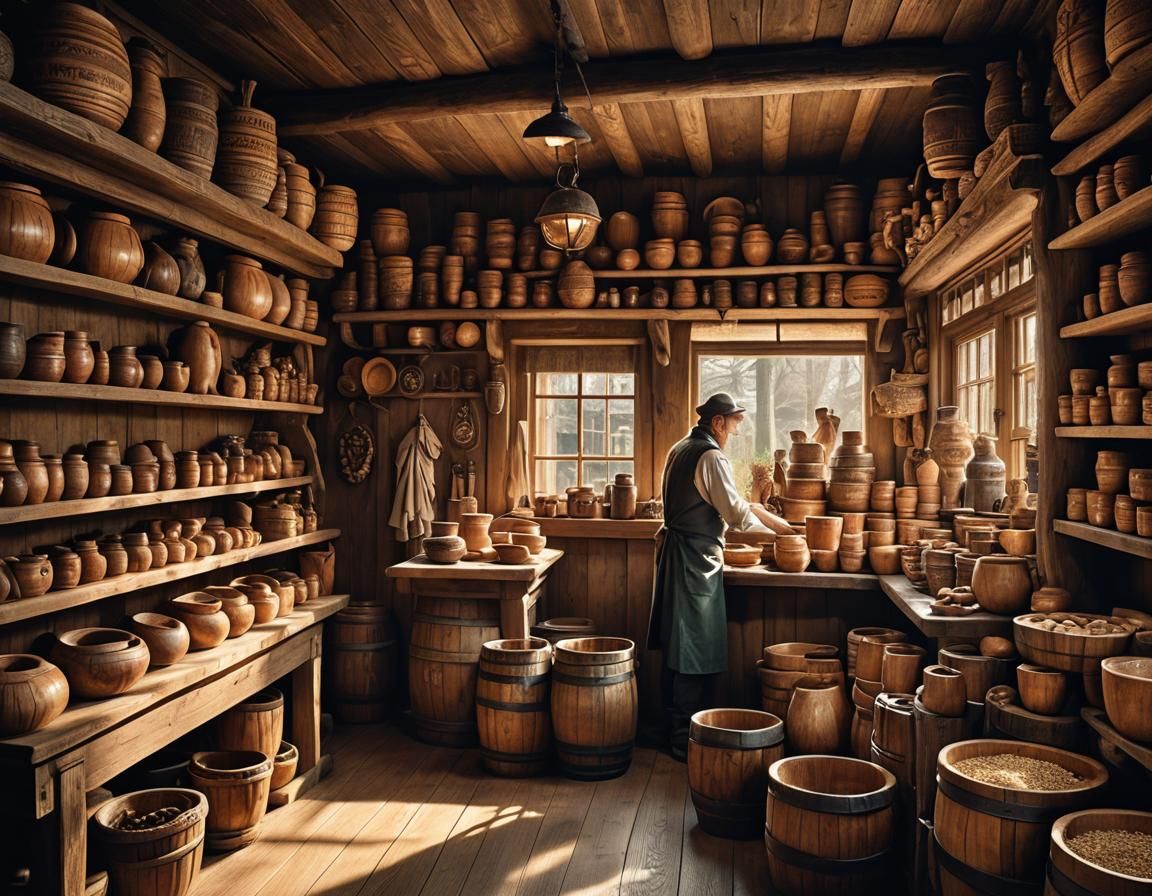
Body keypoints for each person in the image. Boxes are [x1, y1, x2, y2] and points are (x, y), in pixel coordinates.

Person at [646, 392, 793, 760]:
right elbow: (737, 514)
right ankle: (684, 740)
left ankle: (676, 733)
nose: (735, 432)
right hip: (694, 559)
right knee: (691, 648)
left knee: (679, 645)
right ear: (717, 423)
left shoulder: (681, 448)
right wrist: (784, 534)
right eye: (734, 425)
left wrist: (762, 511)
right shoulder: (710, 456)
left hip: (680, 555)